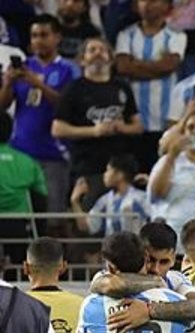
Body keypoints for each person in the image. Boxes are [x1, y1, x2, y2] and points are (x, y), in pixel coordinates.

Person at [0, 15, 76, 227]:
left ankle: (51, 258)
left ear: (57, 37)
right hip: (21, 151)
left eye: (44, 35)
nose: (38, 40)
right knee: (20, 217)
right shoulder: (23, 67)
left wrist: (37, 83)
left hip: (53, 152)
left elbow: (66, 105)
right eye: (34, 36)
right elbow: (3, 106)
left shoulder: (68, 69)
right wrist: (7, 84)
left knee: (52, 218)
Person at [51, 38, 143, 202]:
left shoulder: (122, 87)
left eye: (102, 50)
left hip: (120, 168)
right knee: (89, 219)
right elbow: (58, 128)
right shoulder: (74, 89)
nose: (98, 53)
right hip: (87, 167)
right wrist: (94, 131)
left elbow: (137, 126)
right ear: (82, 59)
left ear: (110, 58)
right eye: (92, 50)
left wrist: (122, 127)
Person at [113, 0, 186, 170]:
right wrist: (156, 66)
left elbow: (169, 66)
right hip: (131, 122)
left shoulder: (177, 35)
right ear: (135, 5)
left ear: (166, 6)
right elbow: (123, 67)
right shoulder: (125, 34)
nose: (148, 5)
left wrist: (136, 64)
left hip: (163, 119)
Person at [0, 112, 47, 273]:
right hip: (17, 227)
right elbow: (41, 198)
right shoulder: (27, 162)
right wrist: (41, 235)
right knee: (18, 274)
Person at [69, 154, 147, 237]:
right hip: (112, 248)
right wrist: (75, 201)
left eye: (108, 170)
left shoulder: (142, 198)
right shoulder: (104, 201)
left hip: (138, 248)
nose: (104, 175)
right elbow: (86, 227)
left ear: (119, 174)